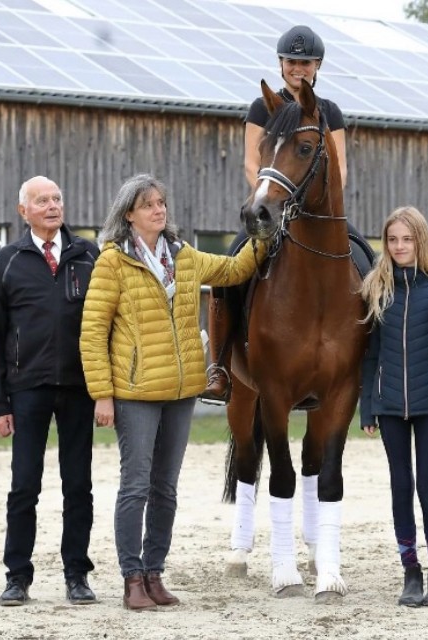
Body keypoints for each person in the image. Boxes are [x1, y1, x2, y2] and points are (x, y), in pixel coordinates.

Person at [79, 174, 266, 611]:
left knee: (166, 488)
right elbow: (92, 332)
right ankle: (131, 579)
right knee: (136, 486)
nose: (159, 210)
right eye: (148, 205)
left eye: (161, 202)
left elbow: (234, 270)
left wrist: (261, 238)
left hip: (181, 392)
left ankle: (155, 572)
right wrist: (102, 394)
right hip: (135, 392)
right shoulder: (112, 263)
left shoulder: (182, 256)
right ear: (128, 214)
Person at [200, 24, 371, 404]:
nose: (298, 68)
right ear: (280, 64)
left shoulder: (330, 111)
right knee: (229, 269)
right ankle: (221, 367)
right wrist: (275, 198)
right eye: (292, 61)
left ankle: (369, 361)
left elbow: (339, 166)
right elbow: (252, 162)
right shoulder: (265, 107)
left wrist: (313, 198)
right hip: (273, 207)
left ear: (317, 66)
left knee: (368, 263)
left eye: (305, 62)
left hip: (319, 209)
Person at [0, 175, 100, 607]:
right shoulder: (8, 260)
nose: (52, 206)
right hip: (26, 389)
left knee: (78, 486)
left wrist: (105, 388)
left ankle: (76, 575)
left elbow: (106, 323)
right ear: (23, 211)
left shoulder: (88, 254)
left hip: (78, 388)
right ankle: (17, 577)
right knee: (24, 487)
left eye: (57, 198)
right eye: (42, 200)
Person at [359, 207, 428, 607]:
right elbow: (370, 355)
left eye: (407, 239)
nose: (399, 246)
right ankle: (410, 572)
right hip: (388, 404)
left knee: (427, 484)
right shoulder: (376, 287)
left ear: (421, 240)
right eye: (392, 240)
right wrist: (367, 407)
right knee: (400, 485)